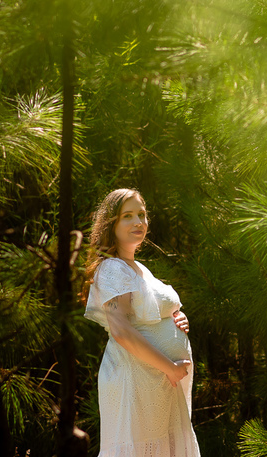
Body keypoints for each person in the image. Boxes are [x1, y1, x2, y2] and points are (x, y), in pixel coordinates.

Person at [82, 188, 200, 457]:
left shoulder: (139, 269)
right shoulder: (113, 268)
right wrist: (170, 368)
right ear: (111, 224)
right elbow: (121, 331)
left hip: (157, 382)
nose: (138, 222)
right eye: (128, 216)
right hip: (135, 380)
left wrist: (176, 318)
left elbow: (150, 312)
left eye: (142, 214)